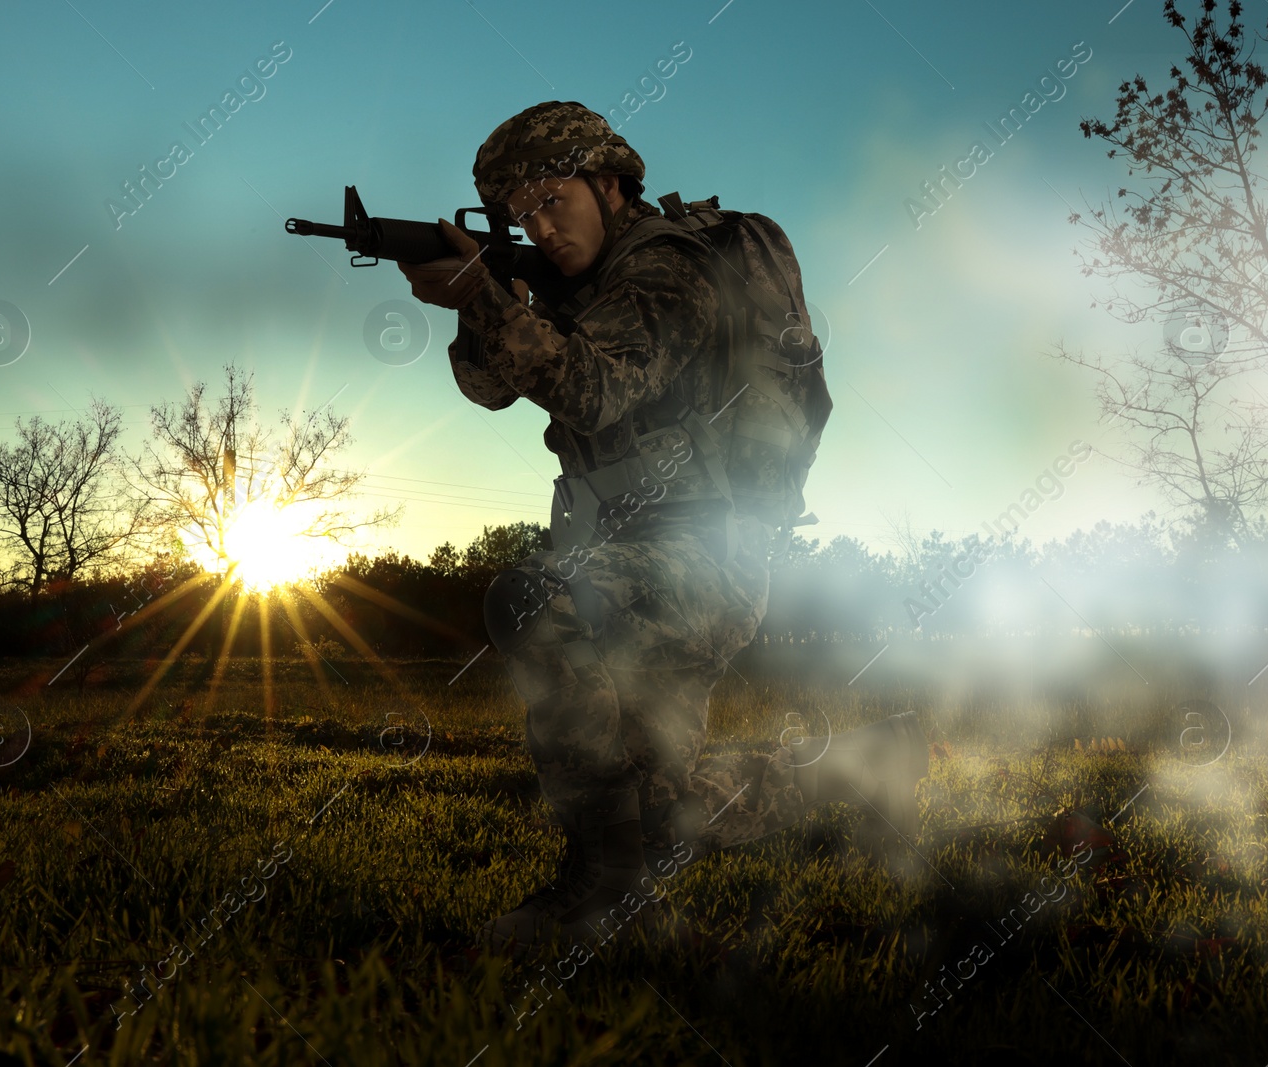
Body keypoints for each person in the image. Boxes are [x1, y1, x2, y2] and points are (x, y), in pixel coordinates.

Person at [397, 100, 928, 954]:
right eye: (521, 215)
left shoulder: (668, 270)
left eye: (552, 202)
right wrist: (487, 299)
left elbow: (593, 390)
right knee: (659, 806)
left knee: (538, 605)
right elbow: (489, 387)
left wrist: (489, 299)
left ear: (609, 182)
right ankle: (860, 764)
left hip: (703, 552)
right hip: (628, 545)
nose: (540, 225)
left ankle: (605, 902)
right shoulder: (584, 283)